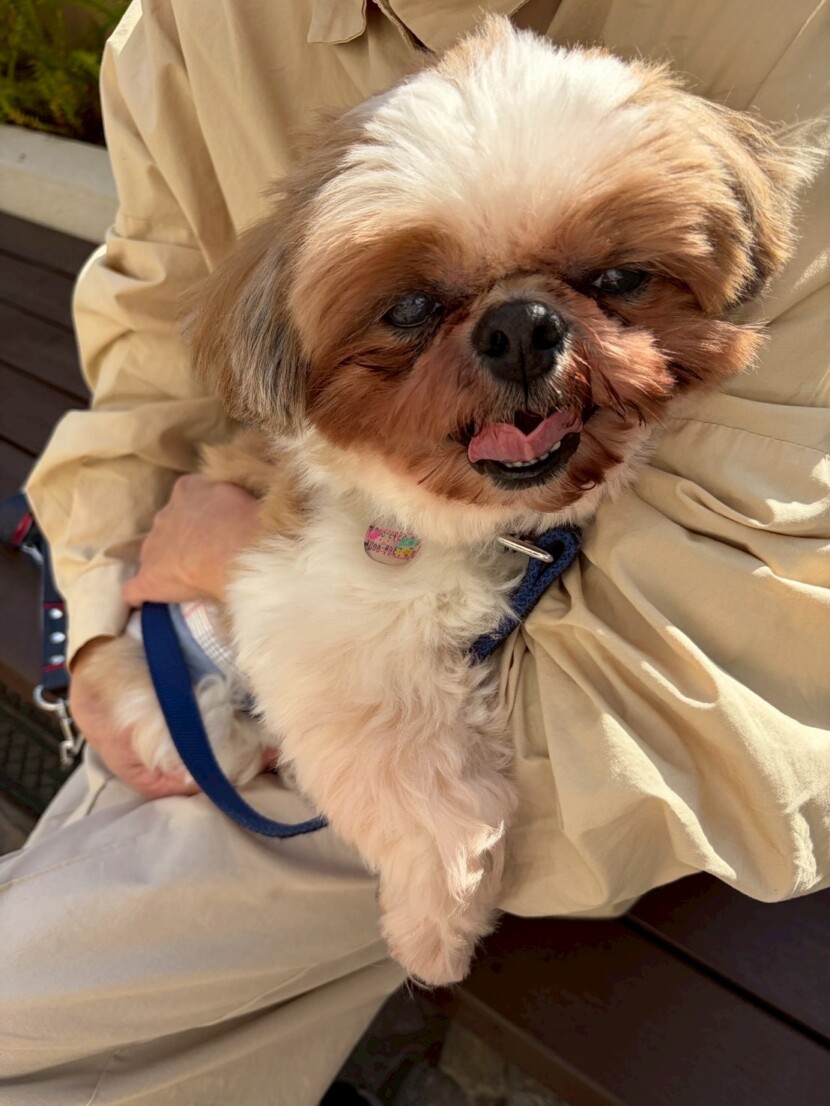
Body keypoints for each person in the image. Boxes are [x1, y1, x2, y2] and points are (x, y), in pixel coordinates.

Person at [1, 1, 828, 1103]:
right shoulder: (188, 29)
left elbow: (724, 695)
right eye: (414, 309)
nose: (524, 336)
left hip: (561, 729)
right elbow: (152, 345)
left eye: (614, 283)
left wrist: (248, 583)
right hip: (264, 650)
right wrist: (104, 607)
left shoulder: (791, 35)